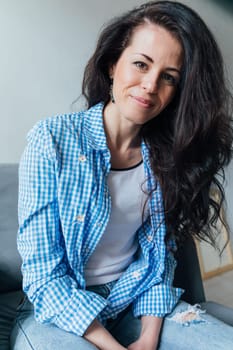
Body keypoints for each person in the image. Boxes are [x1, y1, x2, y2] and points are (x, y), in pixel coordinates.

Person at [10, 1, 233, 349]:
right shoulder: (51, 140)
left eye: (169, 77)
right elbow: (43, 276)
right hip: (56, 311)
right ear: (113, 63)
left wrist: (148, 338)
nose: (150, 85)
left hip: (132, 299)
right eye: (141, 64)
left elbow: (158, 260)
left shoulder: (166, 158)